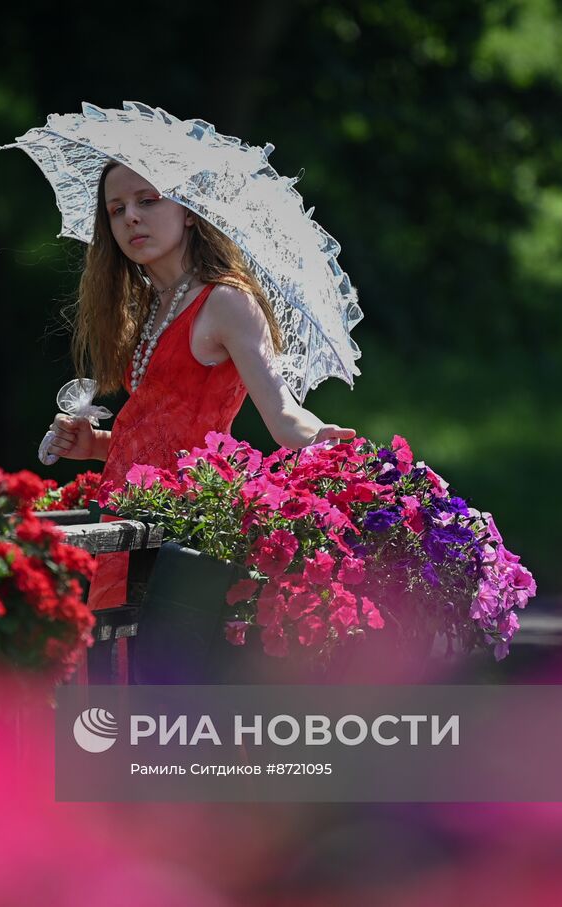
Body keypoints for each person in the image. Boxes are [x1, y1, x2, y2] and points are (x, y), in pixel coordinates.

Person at [42, 161, 356, 619]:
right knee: (110, 671)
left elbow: (283, 411)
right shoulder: (147, 308)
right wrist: (97, 445)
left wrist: (317, 438)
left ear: (190, 210)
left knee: (151, 676)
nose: (130, 217)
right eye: (116, 209)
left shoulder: (226, 301)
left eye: (148, 200)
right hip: (125, 514)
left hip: (181, 526)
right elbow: (159, 431)